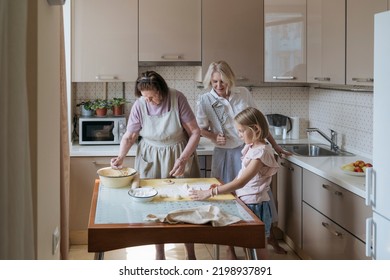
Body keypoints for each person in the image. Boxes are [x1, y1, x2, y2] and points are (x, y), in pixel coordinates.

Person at [196, 61, 288, 255]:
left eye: (223, 82)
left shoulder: (243, 93)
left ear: (230, 79)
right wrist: (213, 136)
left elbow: (258, 121)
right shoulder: (204, 100)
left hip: (248, 149)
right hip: (225, 153)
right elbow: (200, 129)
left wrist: (277, 147)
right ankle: (230, 247)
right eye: (214, 82)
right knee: (227, 198)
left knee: (257, 195)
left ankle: (265, 238)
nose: (219, 87)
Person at [111, 70, 201, 260]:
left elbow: (195, 132)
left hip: (178, 154)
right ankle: (159, 254)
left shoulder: (178, 99)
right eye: (145, 97)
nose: (148, 101)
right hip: (150, 158)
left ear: (162, 91)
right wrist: (120, 157)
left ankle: (190, 255)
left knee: (185, 205)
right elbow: (130, 135)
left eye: (151, 97)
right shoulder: (140, 104)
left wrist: (184, 158)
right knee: (152, 208)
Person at [190, 107, 279, 259]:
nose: (238, 135)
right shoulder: (252, 147)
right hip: (248, 201)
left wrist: (210, 193)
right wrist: (222, 188)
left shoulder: (261, 152)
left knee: (257, 246)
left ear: (255, 129)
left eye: (241, 131)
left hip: (255, 205)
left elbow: (241, 182)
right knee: (248, 245)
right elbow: (241, 176)